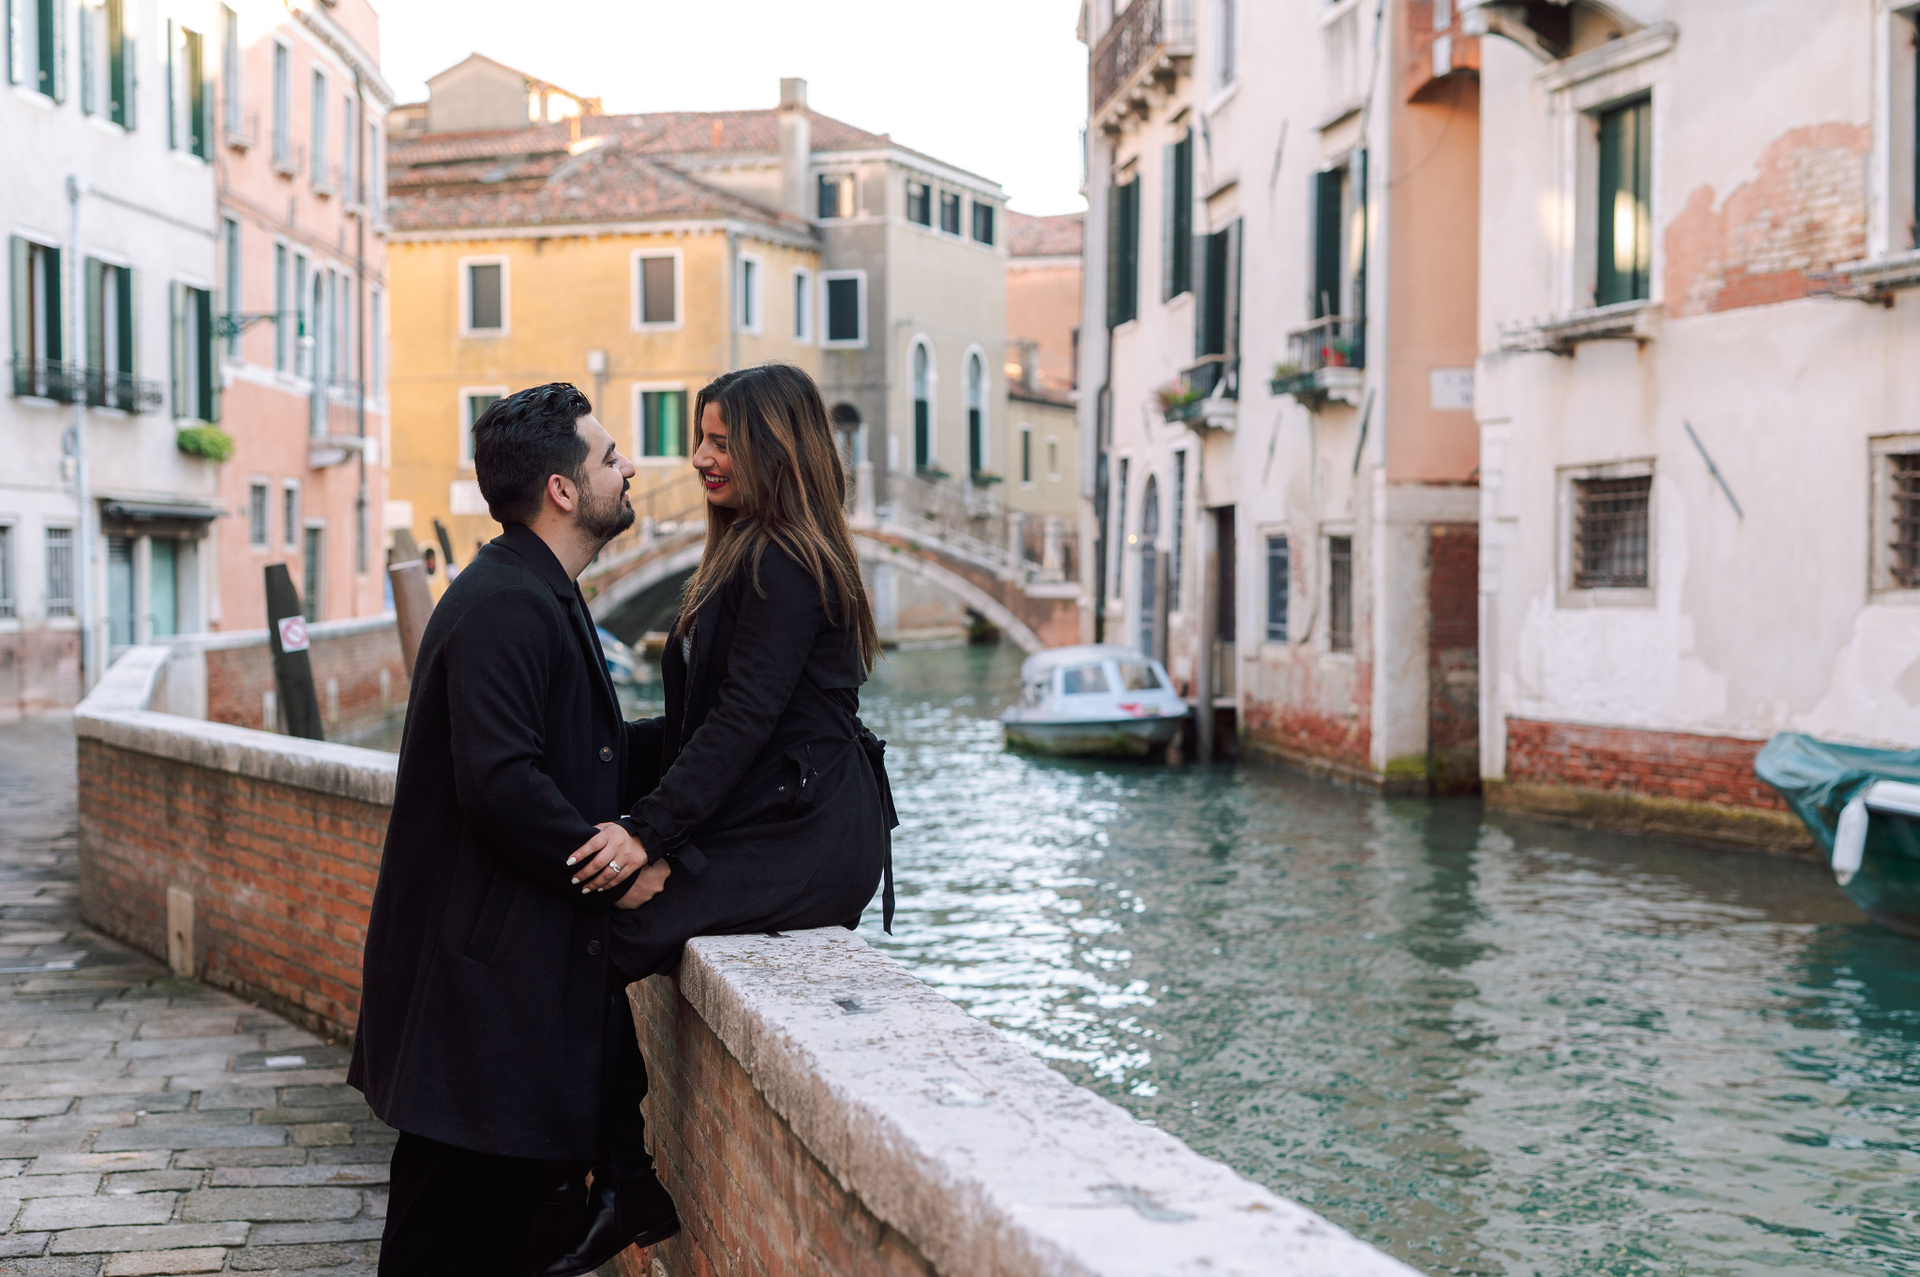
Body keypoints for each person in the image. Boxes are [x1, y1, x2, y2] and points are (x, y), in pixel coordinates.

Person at [543, 361, 897, 1275]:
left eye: (721, 441)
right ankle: (615, 1182)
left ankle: (618, 1186)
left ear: (777, 448)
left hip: (807, 835)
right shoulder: (743, 551)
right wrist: (589, 756)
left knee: (590, 946)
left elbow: (741, 725)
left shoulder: (785, 561)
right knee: (578, 941)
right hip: (768, 818)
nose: (700, 457)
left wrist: (649, 835)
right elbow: (701, 725)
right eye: (700, 438)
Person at [350, 382, 678, 1276]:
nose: (628, 466)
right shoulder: (507, 603)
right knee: (445, 1239)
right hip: (472, 996)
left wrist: (710, 743)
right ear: (563, 490)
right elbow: (500, 783)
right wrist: (617, 870)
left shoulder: (538, 591)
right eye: (609, 456)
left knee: (485, 1234)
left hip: (492, 992)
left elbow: (588, 754)